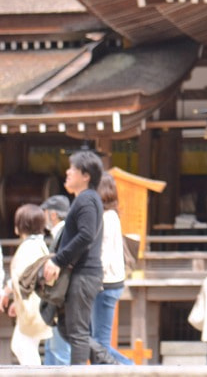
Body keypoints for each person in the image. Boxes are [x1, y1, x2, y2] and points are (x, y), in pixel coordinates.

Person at [42, 150, 116, 365]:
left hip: (85, 273)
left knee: (77, 332)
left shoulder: (86, 200)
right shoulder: (85, 199)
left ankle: (89, 370)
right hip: (82, 273)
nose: (67, 172)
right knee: (68, 328)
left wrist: (58, 260)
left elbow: (86, 235)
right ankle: (107, 364)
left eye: (72, 169)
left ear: (86, 175)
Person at [1, 204, 53, 365]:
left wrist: (6, 293)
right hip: (36, 304)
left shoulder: (28, 247)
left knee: (23, 347)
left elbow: (22, 278)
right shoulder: (38, 244)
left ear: (20, 225)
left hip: (33, 306)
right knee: (22, 345)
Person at [91, 173, 133, 365]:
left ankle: (131, 369)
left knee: (99, 342)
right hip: (108, 282)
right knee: (97, 341)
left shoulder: (107, 218)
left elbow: (104, 254)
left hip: (105, 284)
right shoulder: (110, 216)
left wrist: (93, 281)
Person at [40, 194, 72, 365]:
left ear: (53, 214)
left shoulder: (64, 234)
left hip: (61, 298)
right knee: (53, 350)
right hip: (57, 297)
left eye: (44, 212)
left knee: (60, 352)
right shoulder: (61, 233)